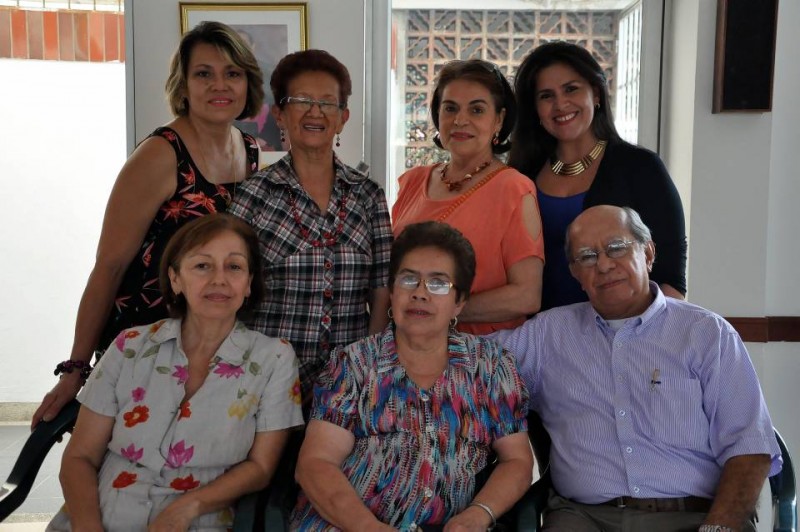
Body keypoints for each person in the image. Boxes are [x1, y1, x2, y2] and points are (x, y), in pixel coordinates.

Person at [492, 205, 782, 532]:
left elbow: (750, 451)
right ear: (574, 272)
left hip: (694, 516)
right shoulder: (548, 335)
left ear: (648, 252)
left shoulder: (706, 334)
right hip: (584, 518)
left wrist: (717, 528)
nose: (603, 264)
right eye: (587, 256)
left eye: (616, 247)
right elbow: (470, 363)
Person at [33, 21, 264, 427]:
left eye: (232, 73)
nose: (219, 85)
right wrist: (75, 369)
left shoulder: (248, 150)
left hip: (206, 344)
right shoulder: (160, 154)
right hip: (145, 345)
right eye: (203, 74)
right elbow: (109, 266)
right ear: (184, 84)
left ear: (248, 84)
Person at [47, 214, 304, 531]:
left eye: (234, 267)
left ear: (250, 282)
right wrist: (88, 526)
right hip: (100, 514)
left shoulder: (275, 359)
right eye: (202, 266)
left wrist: (186, 508)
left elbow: (261, 468)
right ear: (175, 279)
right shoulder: (130, 346)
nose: (219, 279)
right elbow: (79, 458)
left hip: (197, 521)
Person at [291, 221, 532, 530]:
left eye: (438, 283)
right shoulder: (354, 364)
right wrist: (368, 527)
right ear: (392, 292)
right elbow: (315, 464)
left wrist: (478, 514)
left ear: (459, 302)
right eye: (408, 280)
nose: (420, 293)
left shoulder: (491, 367)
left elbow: (517, 461)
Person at [229, 49, 392, 400]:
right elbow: (230, 286)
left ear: (343, 117)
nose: (315, 111)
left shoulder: (369, 195)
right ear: (280, 114)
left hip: (348, 384)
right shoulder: (254, 193)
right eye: (301, 100)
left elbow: (381, 292)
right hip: (265, 381)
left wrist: (371, 366)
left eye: (327, 103)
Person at [508, 41, 687, 311]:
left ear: (596, 93)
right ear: (535, 110)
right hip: (537, 337)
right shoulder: (521, 175)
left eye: (571, 89)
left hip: (620, 335)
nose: (560, 104)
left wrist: (644, 343)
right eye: (546, 96)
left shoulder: (640, 167)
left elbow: (672, 278)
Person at [392, 59, 545, 335]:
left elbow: (526, 295)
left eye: (477, 109)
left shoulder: (514, 188)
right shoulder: (412, 182)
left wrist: (436, 310)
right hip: (408, 347)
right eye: (450, 108)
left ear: (498, 119)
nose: (460, 120)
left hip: (481, 357)